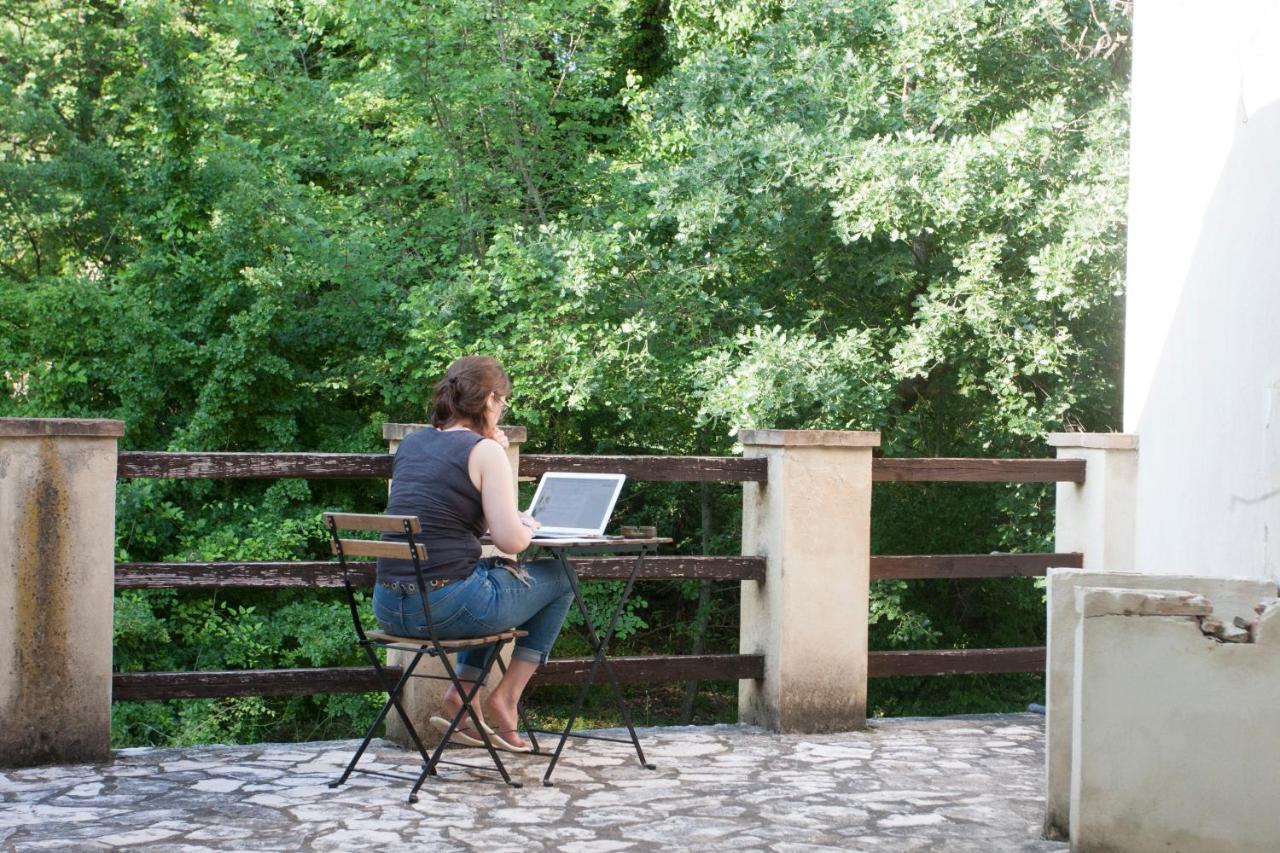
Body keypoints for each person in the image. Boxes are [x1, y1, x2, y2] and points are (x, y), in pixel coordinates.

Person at [373, 355, 571, 752]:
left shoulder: (412, 445)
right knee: (562, 579)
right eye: (504, 402)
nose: (502, 410)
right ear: (490, 400)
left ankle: (461, 702)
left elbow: (444, 515)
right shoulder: (484, 452)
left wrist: (490, 449)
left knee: (489, 581)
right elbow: (511, 542)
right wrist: (525, 525)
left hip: (389, 607)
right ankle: (506, 697)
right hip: (445, 607)